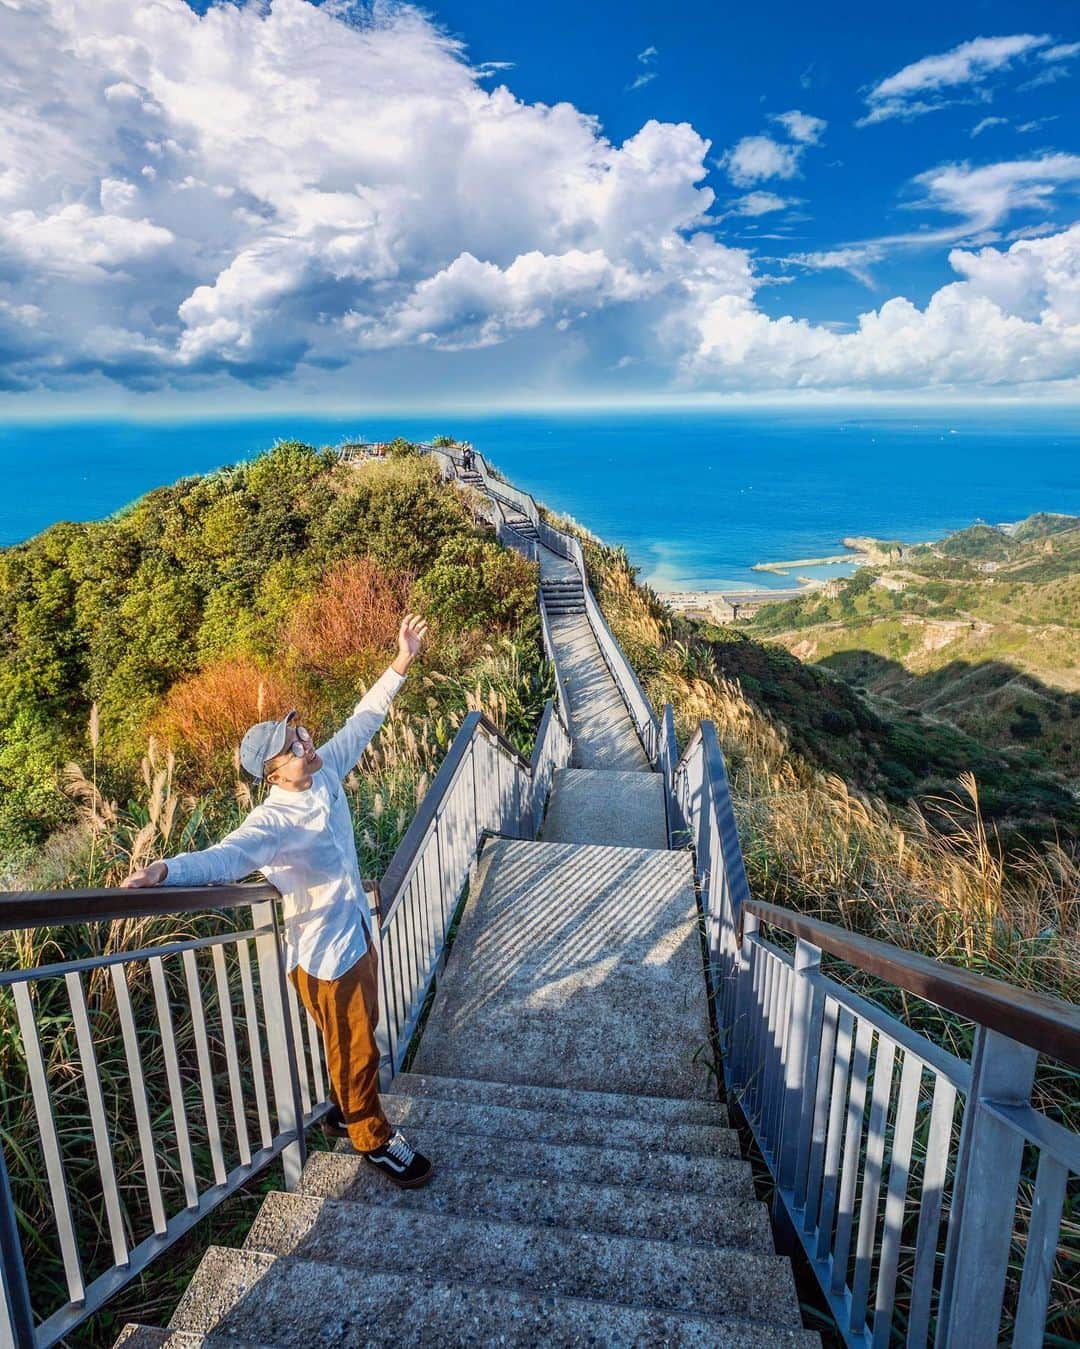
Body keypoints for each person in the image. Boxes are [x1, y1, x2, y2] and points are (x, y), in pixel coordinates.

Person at [122, 613, 434, 1188]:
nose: (307, 743)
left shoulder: (326, 772)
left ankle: (348, 1108)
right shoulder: (272, 821)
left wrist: (402, 660)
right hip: (323, 953)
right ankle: (372, 1137)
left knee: (350, 1040)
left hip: (353, 929)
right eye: (294, 747)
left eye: (303, 734)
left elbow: (364, 720)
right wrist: (165, 871)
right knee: (357, 1044)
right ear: (271, 772)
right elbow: (226, 856)